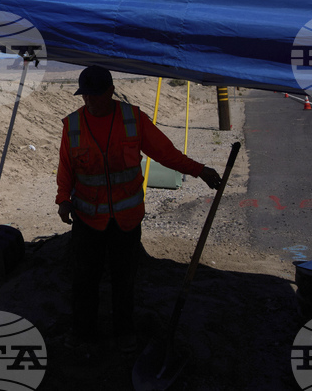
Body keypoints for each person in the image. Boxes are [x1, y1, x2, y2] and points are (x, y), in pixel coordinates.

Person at [55, 65, 222, 354]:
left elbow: (166, 153)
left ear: (110, 91)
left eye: (96, 94)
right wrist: (63, 199)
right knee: (84, 280)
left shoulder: (133, 119)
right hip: (87, 219)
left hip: (126, 220)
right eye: (85, 95)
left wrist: (200, 171)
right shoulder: (72, 125)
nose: (90, 101)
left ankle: (124, 332)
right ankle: (83, 333)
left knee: (124, 280)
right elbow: (66, 167)